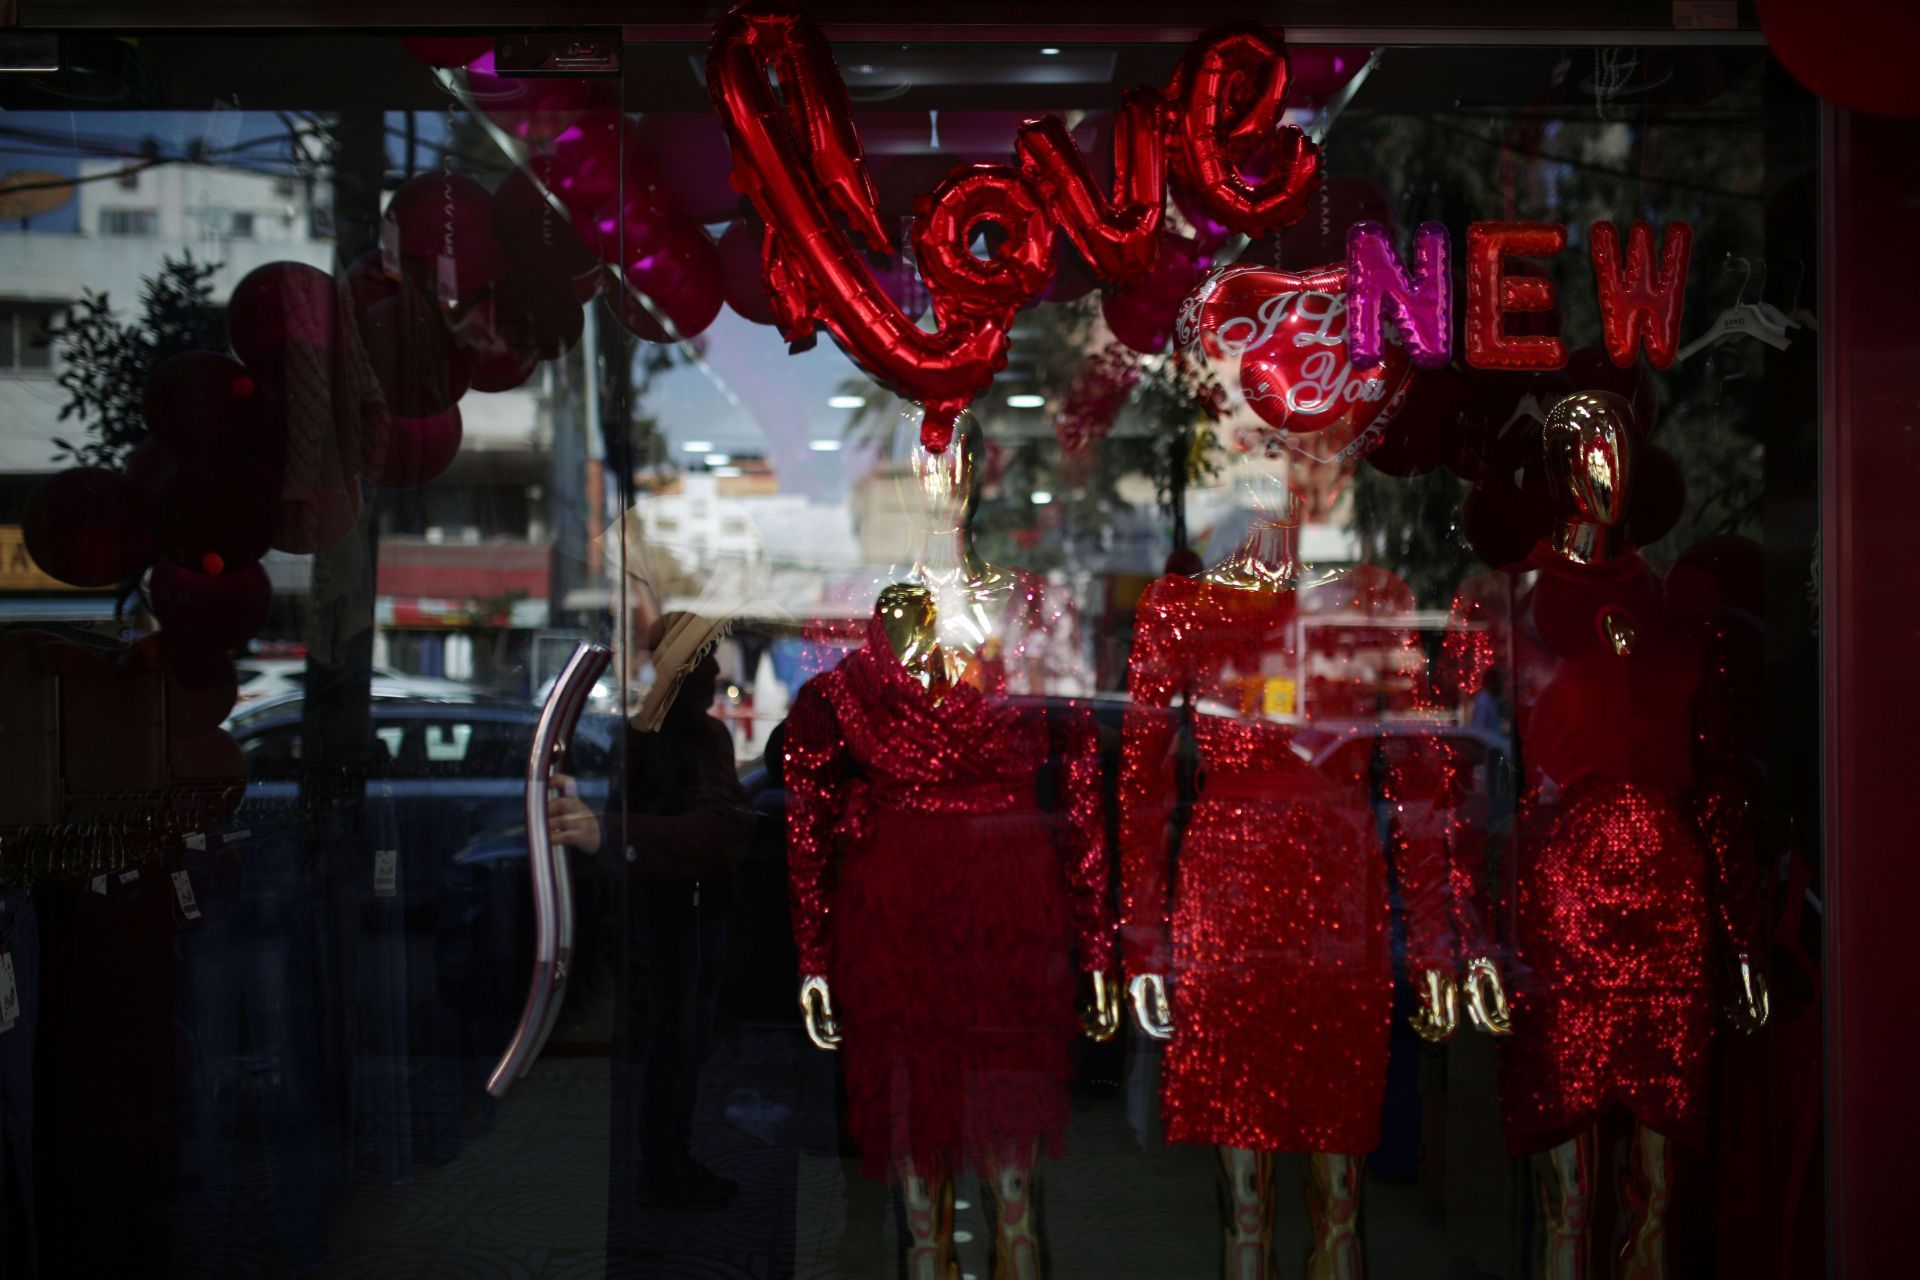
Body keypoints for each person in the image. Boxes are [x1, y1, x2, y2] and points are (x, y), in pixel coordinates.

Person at [547, 612, 757, 1212]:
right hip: (668, 918)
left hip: (690, 912)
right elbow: (715, 828)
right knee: (671, 1048)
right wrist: (617, 835)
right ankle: (665, 1168)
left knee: (682, 1047)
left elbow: (724, 824)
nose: (716, 671)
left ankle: (670, 1161)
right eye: (703, 658)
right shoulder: (653, 738)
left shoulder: (691, 735)